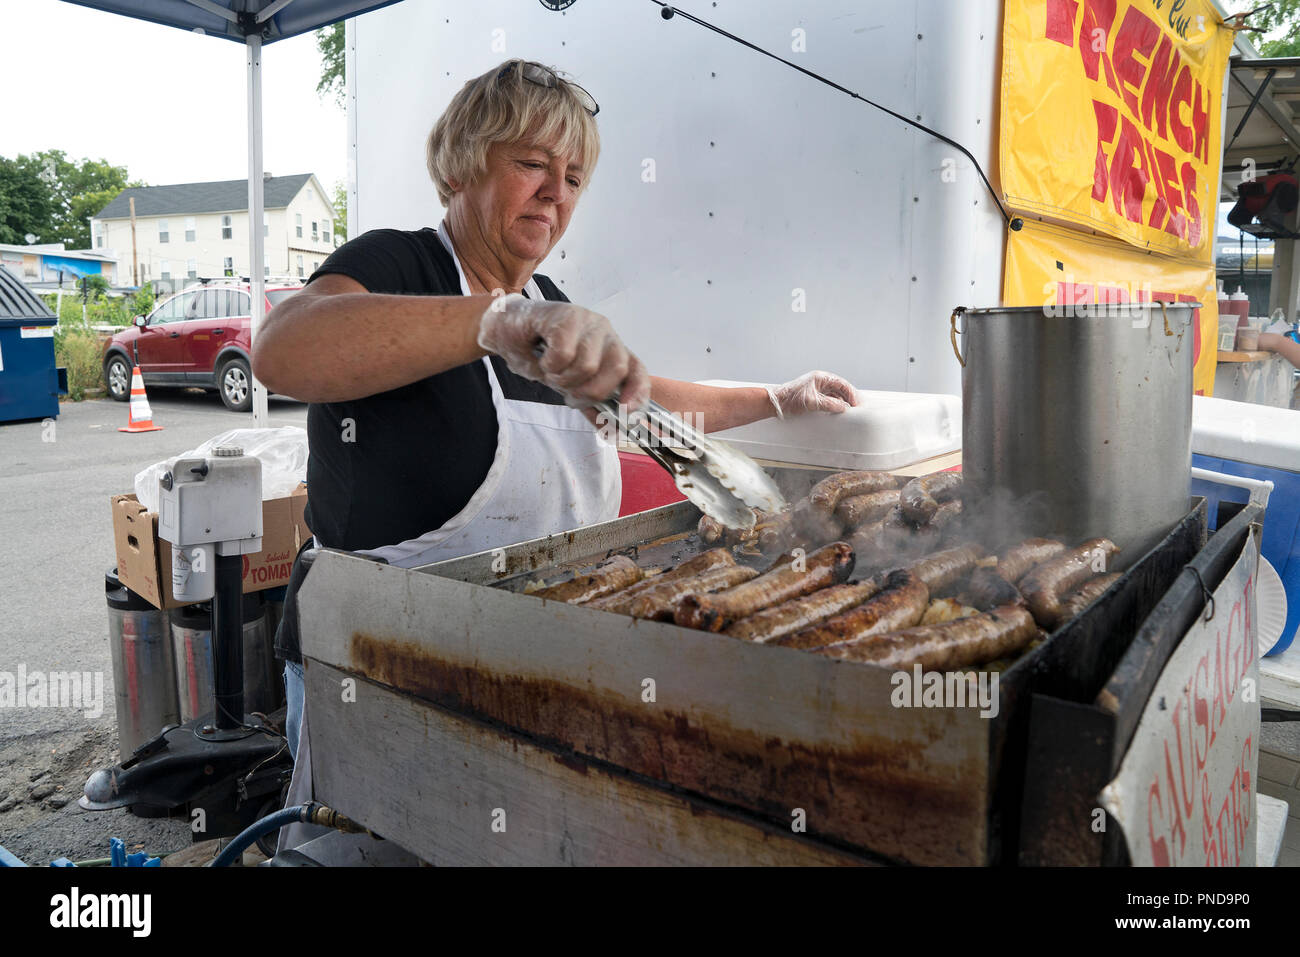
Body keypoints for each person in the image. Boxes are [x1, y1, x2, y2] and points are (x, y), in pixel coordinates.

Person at [252, 60, 858, 848]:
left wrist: (777, 400)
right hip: (375, 669)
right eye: (532, 163)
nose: (556, 193)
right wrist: (491, 325)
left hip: (521, 667)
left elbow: (648, 403)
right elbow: (283, 348)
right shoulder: (399, 264)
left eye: (573, 176)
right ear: (465, 162)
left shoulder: (551, 308)